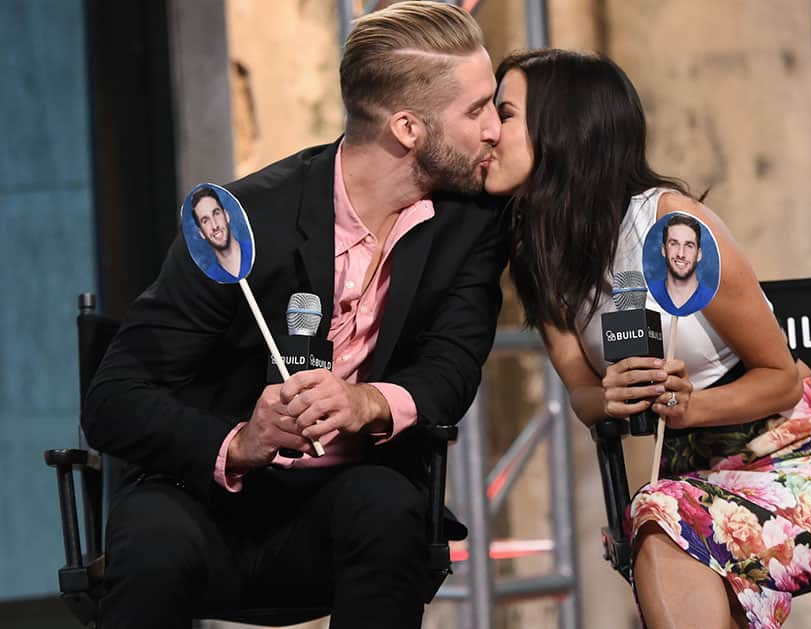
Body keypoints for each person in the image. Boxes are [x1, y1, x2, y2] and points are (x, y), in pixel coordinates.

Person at [82, 4, 507, 628]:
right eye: (478, 110)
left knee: (389, 510)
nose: (496, 128)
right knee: (150, 544)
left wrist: (368, 403)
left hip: (346, 501)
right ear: (409, 128)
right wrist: (242, 442)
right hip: (206, 502)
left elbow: (452, 368)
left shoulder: (467, 225)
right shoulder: (246, 221)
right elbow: (113, 400)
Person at [485, 48, 811, 629]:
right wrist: (611, 394)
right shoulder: (537, 253)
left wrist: (692, 406)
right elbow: (581, 394)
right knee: (658, 520)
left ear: (562, 127)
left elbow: (780, 380)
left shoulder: (672, 229)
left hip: (804, 462)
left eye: (506, 113)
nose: (489, 131)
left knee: (657, 520)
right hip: (691, 487)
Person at [190, 185, 251, 280]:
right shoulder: (210, 280)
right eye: (205, 220)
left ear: (226, 216)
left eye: (216, 213)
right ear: (201, 233)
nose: (214, 226)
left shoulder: (255, 250)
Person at [661, 213, 713, 312]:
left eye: (689, 245)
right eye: (674, 244)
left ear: (699, 254)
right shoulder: (648, 296)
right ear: (663, 250)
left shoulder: (712, 302)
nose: (681, 254)